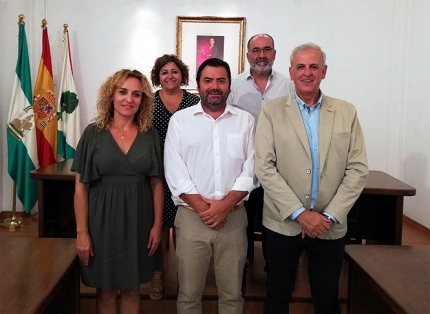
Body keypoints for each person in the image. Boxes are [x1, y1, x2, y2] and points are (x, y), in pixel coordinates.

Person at [255, 43, 369, 313]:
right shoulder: (272, 111)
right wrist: (299, 213)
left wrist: (329, 216)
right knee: (277, 297)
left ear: (324, 72)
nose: (307, 73)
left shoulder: (346, 111)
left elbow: (357, 168)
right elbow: (265, 167)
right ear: (291, 72)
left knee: (327, 299)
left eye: (314, 67)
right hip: (283, 223)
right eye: (301, 67)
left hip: (329, 225)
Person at [164, 58, 258, 314]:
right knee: (188, 295)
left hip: (234, 218)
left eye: (221, 80)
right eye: (208, 80)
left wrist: (225, 206)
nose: (214, 86)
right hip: (192, 218)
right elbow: (175, 171)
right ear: (198, 85)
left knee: (232, 294)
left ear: (229, 86)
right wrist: (205, 208)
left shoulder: (246, 121)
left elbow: (252, 170)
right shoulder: (180, 121)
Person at [72, 69, 164, 314]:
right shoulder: (93, 133)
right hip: (102, 221)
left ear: (142, 100)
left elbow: (157, 183)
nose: (129, 99)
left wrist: (157, 225)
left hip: (139, 220)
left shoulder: (149, 134)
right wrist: (82, 233)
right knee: (106, 289)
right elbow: (81, 188)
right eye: (123, 92)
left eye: (136, 94)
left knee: (133, 289)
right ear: (111, 95)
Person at [227, 33, 294, 276]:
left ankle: (274, 270)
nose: (261, 55)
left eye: (266, 49)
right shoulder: (234, 86)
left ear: (274, 54)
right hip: (243, 167)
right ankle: (240, 268)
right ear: (248, 56)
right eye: (256, 50)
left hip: (279, 167)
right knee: (242, 221)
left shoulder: (289, 86)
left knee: (274, 222)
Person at [149, 54, 200, 300]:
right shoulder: (147, 102)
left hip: (186, 173)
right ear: (158, 77)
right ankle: (157, 275)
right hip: (155, 173)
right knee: (158, 225)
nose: (170, 76)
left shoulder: (194, 101)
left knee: (184, 227)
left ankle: (183, 276)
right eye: (164, 72)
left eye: (174, 71)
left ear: (183, 75)